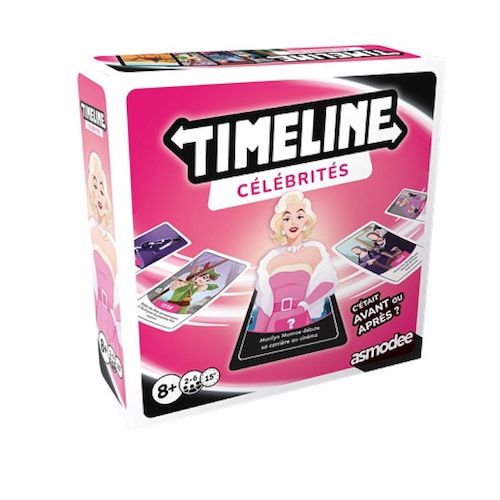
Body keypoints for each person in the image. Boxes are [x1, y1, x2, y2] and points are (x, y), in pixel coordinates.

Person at [253, 191, 337, 333]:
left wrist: (304, 306)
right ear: (281, 225)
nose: (293, 222)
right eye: (287, 218)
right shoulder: (270, 259)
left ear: (306, 222)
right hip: (274, 320)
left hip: (301, 315)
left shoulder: (314, 249)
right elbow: (264, 303)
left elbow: (328, 281)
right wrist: (257, 336)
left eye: (299, 216)